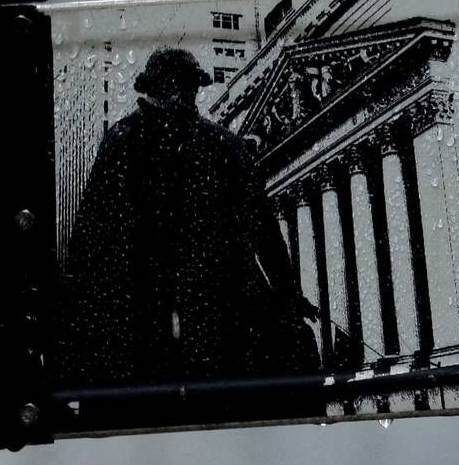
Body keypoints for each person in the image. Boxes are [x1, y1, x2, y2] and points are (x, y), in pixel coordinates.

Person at [58, 47, 319, 390]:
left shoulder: (129, 142)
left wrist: (287, 294)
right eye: (177, 87)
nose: (182, 96)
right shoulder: (214, 144)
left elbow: (89, 238)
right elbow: (263, 228)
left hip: (181, 311)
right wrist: (286, 294)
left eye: (184, 87)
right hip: (186, 310)